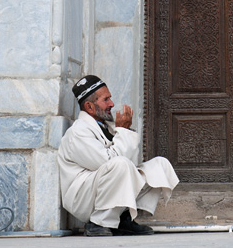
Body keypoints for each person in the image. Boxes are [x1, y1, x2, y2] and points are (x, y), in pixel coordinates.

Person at [58, 75, 179, 236]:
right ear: (89, 106)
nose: (112, 104)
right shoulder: (78, 132)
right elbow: (110, 162)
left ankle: (123, 219)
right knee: (120, 165)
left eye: (110, 98)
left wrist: (124, 132)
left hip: (103, 188)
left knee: (159, 165)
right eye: (106, 99)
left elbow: (131, 163)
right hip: (82, 199)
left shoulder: (107, 126)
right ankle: (97, 223)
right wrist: (124, 132)